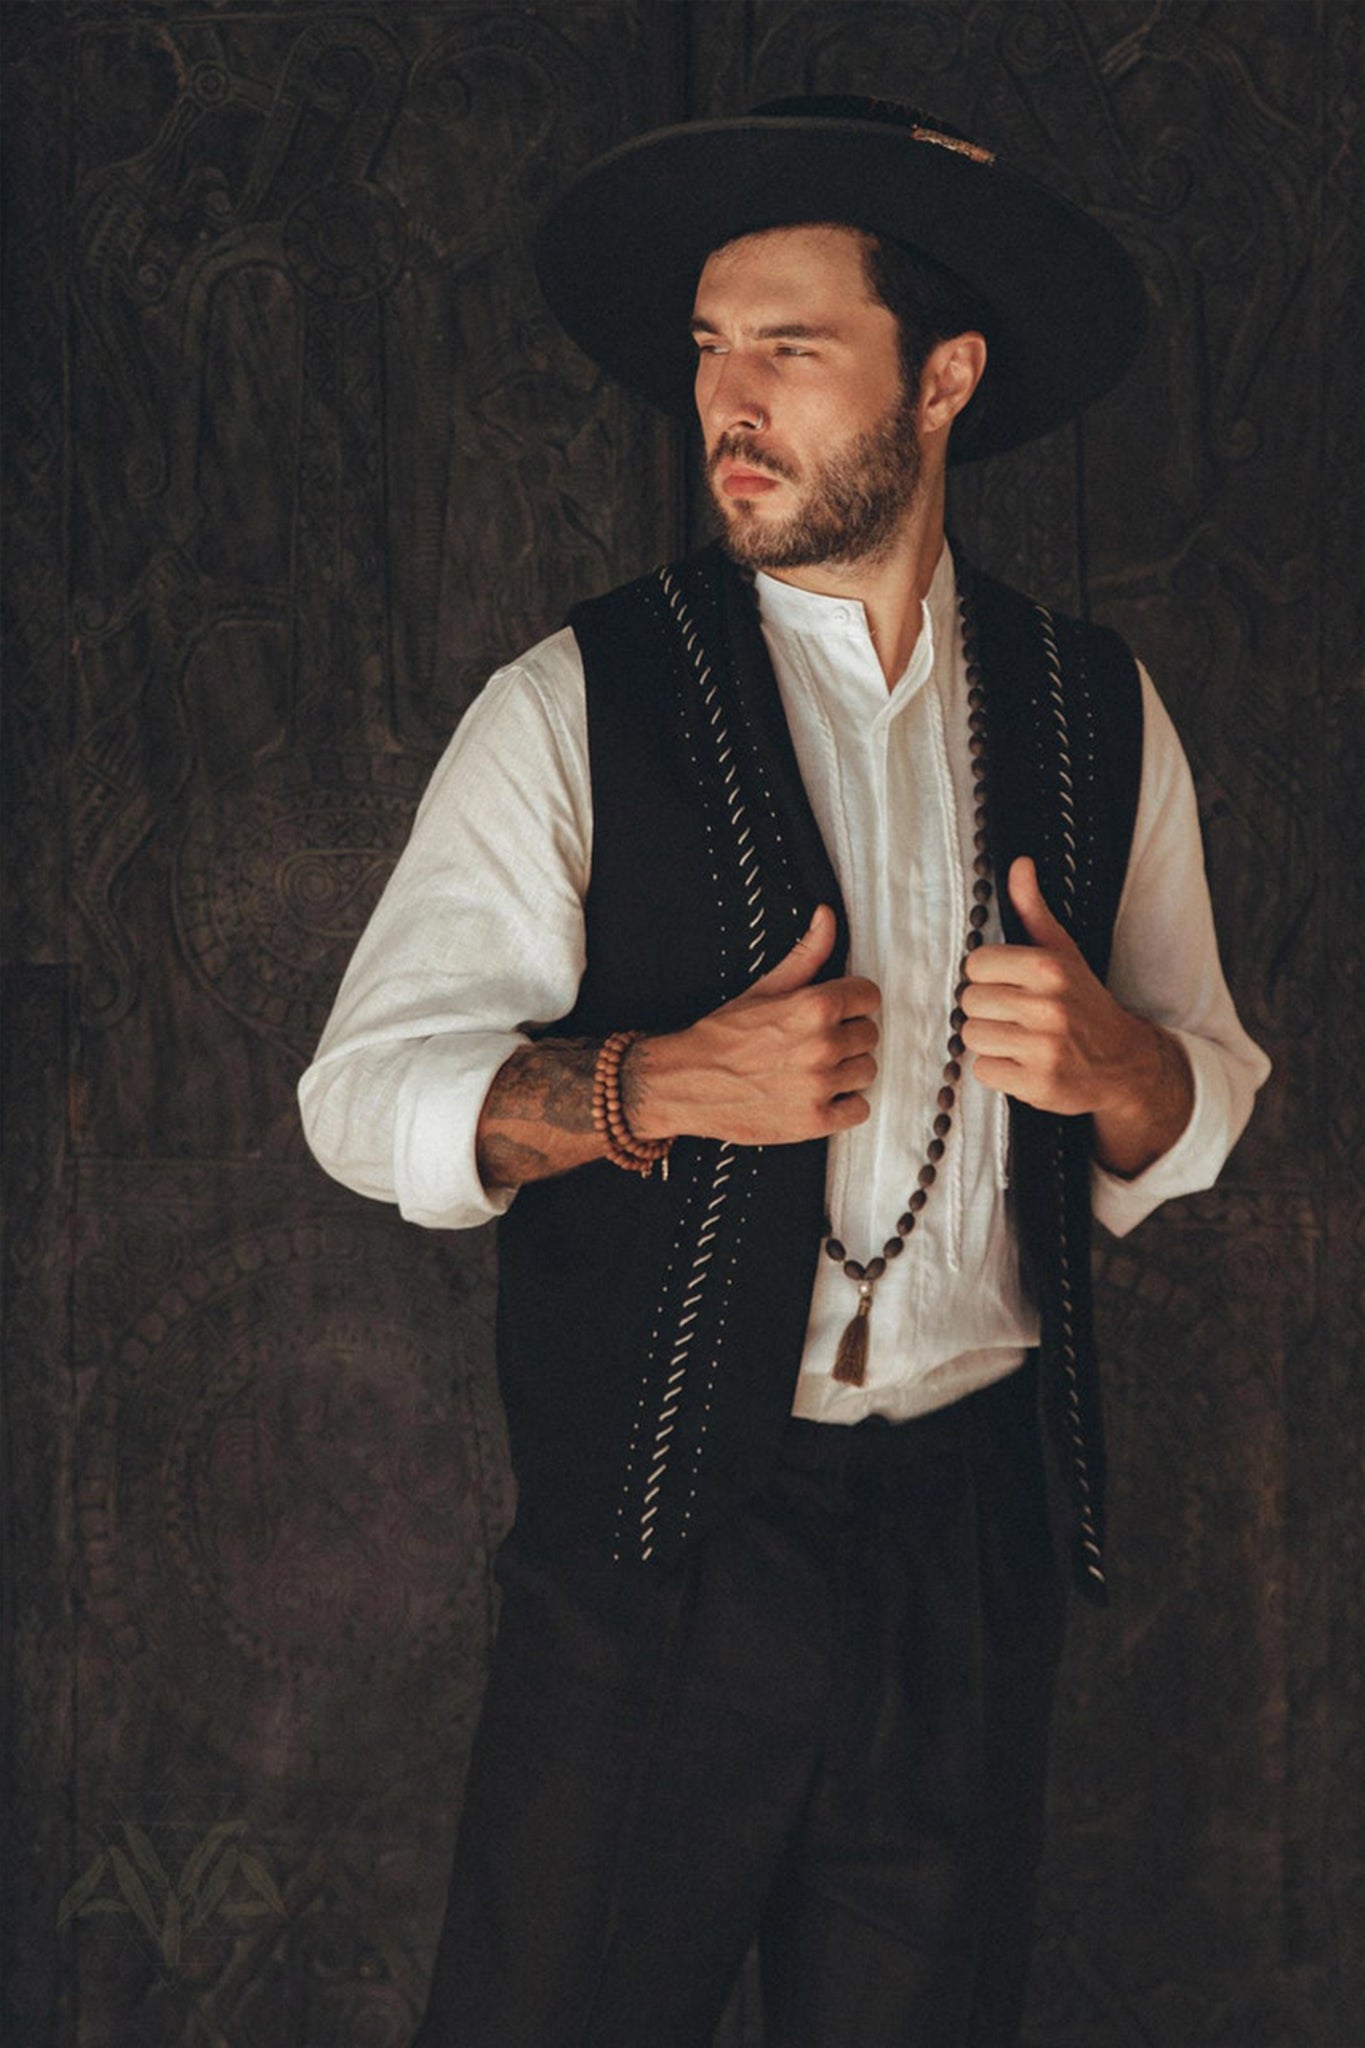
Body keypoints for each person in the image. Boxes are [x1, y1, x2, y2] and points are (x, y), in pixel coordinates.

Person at [300, 97, 1269, 2048]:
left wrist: (1120, 1065)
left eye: (787, 346)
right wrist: (640, 1089)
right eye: (702, 348)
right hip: (661, 1546)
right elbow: (358, 1096)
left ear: (942, 380)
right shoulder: (575, 699)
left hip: (971, 1533)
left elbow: (1197, 1104)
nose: (722, 399)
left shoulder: (1092, 710)